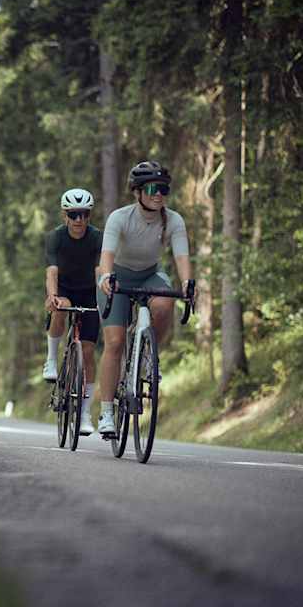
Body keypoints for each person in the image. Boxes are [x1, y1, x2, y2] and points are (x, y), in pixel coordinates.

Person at [95, 161, 193, 434]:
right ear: (137, 192)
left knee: (164, 302)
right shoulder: (120, 217)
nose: (158, 194)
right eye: (152, 188)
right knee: (114, 343)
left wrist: (187, 283)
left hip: (150, 274)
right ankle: (105, 414)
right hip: (116, 277)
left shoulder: (173, 220)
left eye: (163, 189)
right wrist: (105, 277)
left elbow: (181, 255)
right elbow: (107, 256)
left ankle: (149, 355)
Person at [43, 188, 103, 435]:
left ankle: (86, 412)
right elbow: (51, 272)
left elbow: (101, 270)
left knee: (88, 351)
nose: (79, 220)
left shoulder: (97, 237)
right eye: (74, 214)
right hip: (65, 289)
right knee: (59, 309)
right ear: (65, 216)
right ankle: (51, 361)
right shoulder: (55, 237)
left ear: (89, 216)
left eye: (84, 214)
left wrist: (103, 297)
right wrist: (53, 296)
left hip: (90, 291)